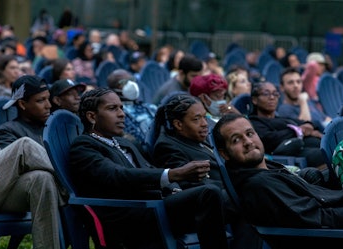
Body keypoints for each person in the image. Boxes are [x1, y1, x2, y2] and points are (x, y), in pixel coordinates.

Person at [69, 87, 229, 249]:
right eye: (112, 108)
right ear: (92, 116)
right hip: (131, 216)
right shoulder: (84, 146)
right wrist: (174, 175)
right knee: (208, 194)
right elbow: (117, 175)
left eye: (121, 108)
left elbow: (150, 168)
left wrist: (175, 190)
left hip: (153, 206)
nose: (121, 114)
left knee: (224, 196)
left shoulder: (124, 143)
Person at [152, 93, 263, 249]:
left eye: (205, 117)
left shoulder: (199, 138)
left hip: (225, 194)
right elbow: (190, 184)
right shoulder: (167, 146)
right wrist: (235, 186)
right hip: (204, 207)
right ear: (178, 124)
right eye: (197, 119)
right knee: (252, 199)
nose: (205, 124)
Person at [213, 113, 343, 231]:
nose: (247, 142)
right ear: (224, 153)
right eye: (236, 140)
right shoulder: (259, 184)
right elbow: (319, 217)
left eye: (249, 134)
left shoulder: (267, 168)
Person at [0, 75, 66, 248]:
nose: (48, 105)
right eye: (41, 100)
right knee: (24, 146)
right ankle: (71, 186)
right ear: (23, 104)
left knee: (42, 179)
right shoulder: (9, 129)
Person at [248, 81, 327, 170]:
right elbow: (269, 138)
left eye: (275, 94)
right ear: (255, 99)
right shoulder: (254, 122)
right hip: (288, 154)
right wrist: (298, 131)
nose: (272, 97)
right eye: (266, 94)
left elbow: (308, 123)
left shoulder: (281, 119)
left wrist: (309, 127)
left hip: (306, 146)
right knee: (323, 154)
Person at [107, 69, 157, 146]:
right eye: (124, 82)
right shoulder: (117, 114)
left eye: (131, 79)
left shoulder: (151, 108)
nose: (131, 84)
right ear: (113, 89)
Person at [278, 67, 331, 132]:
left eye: (298, 82)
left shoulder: (309, 102)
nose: (296, 85)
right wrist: (303, 102)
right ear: (282, 87)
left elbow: (326, 118)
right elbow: (305, 128)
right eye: (290, 83)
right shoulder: (284, 109)